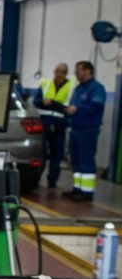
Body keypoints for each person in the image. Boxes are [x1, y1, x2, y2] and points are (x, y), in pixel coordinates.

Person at [64, 61, 107, 202]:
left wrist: (77, 110)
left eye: (79, 71)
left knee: (86, 160)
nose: (76, 74)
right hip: (76, 128)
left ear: (88, 71)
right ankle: (78, 188)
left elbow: (96, 106)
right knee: (75, 160)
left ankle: (87, 192)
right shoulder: (79, 88)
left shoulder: (96, 88)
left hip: (88, 129)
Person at [35, 64, 74, 189]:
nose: (59, 74)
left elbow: (71, 106)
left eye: (62, 72)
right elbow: (35, 101)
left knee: (57, 154)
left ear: (66, 73)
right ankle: (37, 178)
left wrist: (55, 104)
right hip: (44, 123)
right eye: (57, 71)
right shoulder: (45, 83)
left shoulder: (71, 87)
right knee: (40, 153)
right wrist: (42, 102)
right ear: (54, 71)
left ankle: (52, 181)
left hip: (59, 125)